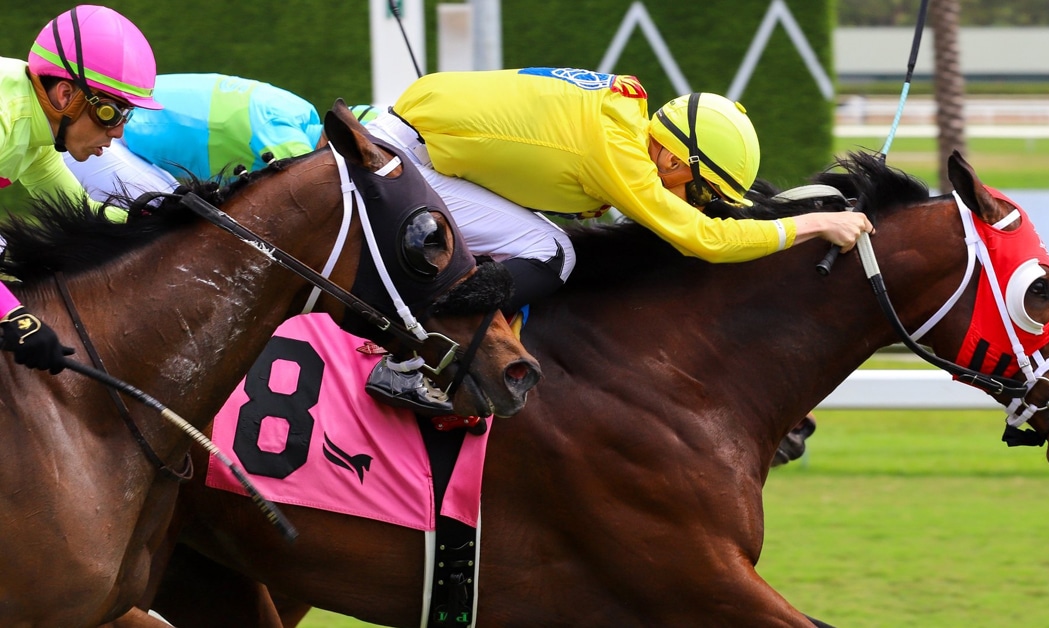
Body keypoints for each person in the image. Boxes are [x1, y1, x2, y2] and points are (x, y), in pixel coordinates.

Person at [362, 67, 875, 412]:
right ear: (674, 160)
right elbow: (707, 240)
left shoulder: (621, 112)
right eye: (700, 190)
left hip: (412, 138)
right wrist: (814, 224)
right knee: (552, 251)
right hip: (407, 160)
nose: (694, 203)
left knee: (539, 239)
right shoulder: (620, 154)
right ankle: (422, 360)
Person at [0, 4, 163, 373]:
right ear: (64, 95)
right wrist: (12, 315)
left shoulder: (34, 131)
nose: (119, 131)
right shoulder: (5, 116)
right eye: (112, 112)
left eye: (127, 115)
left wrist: (155, 215)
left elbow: (81, 212)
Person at [65, 73, 380, 200]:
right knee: (176, 227)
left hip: (111, 137)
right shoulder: (291, 140)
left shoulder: (299, 115)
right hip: (99, 138)